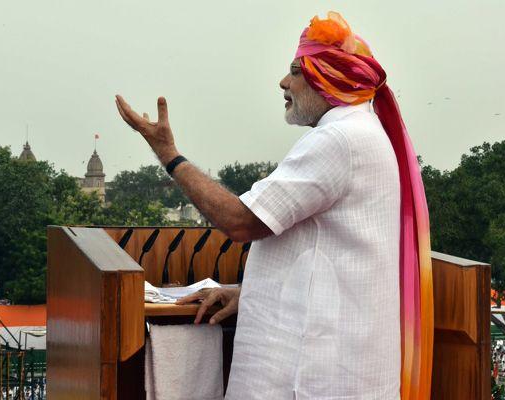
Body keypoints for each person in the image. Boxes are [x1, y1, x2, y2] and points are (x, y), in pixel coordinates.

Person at [116, 11, 433, 400]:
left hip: (317, 378)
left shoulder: (340, 139)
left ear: (326, 77)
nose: (283, 82)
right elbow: (322, 258)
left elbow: (241, 221)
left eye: (296, 71)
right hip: (342, 371)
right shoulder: (361, 131)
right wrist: (244, 294)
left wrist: (168, 155)